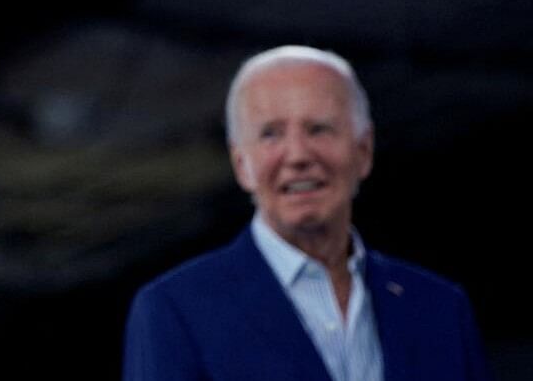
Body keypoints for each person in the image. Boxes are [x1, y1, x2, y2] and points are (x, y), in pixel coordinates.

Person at [122, 45, 492, 381]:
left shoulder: (440, 309)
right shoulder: (176, 311)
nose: (298, 155)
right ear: (241, 165)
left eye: (319, 129)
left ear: (363, 151)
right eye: (271, 134)